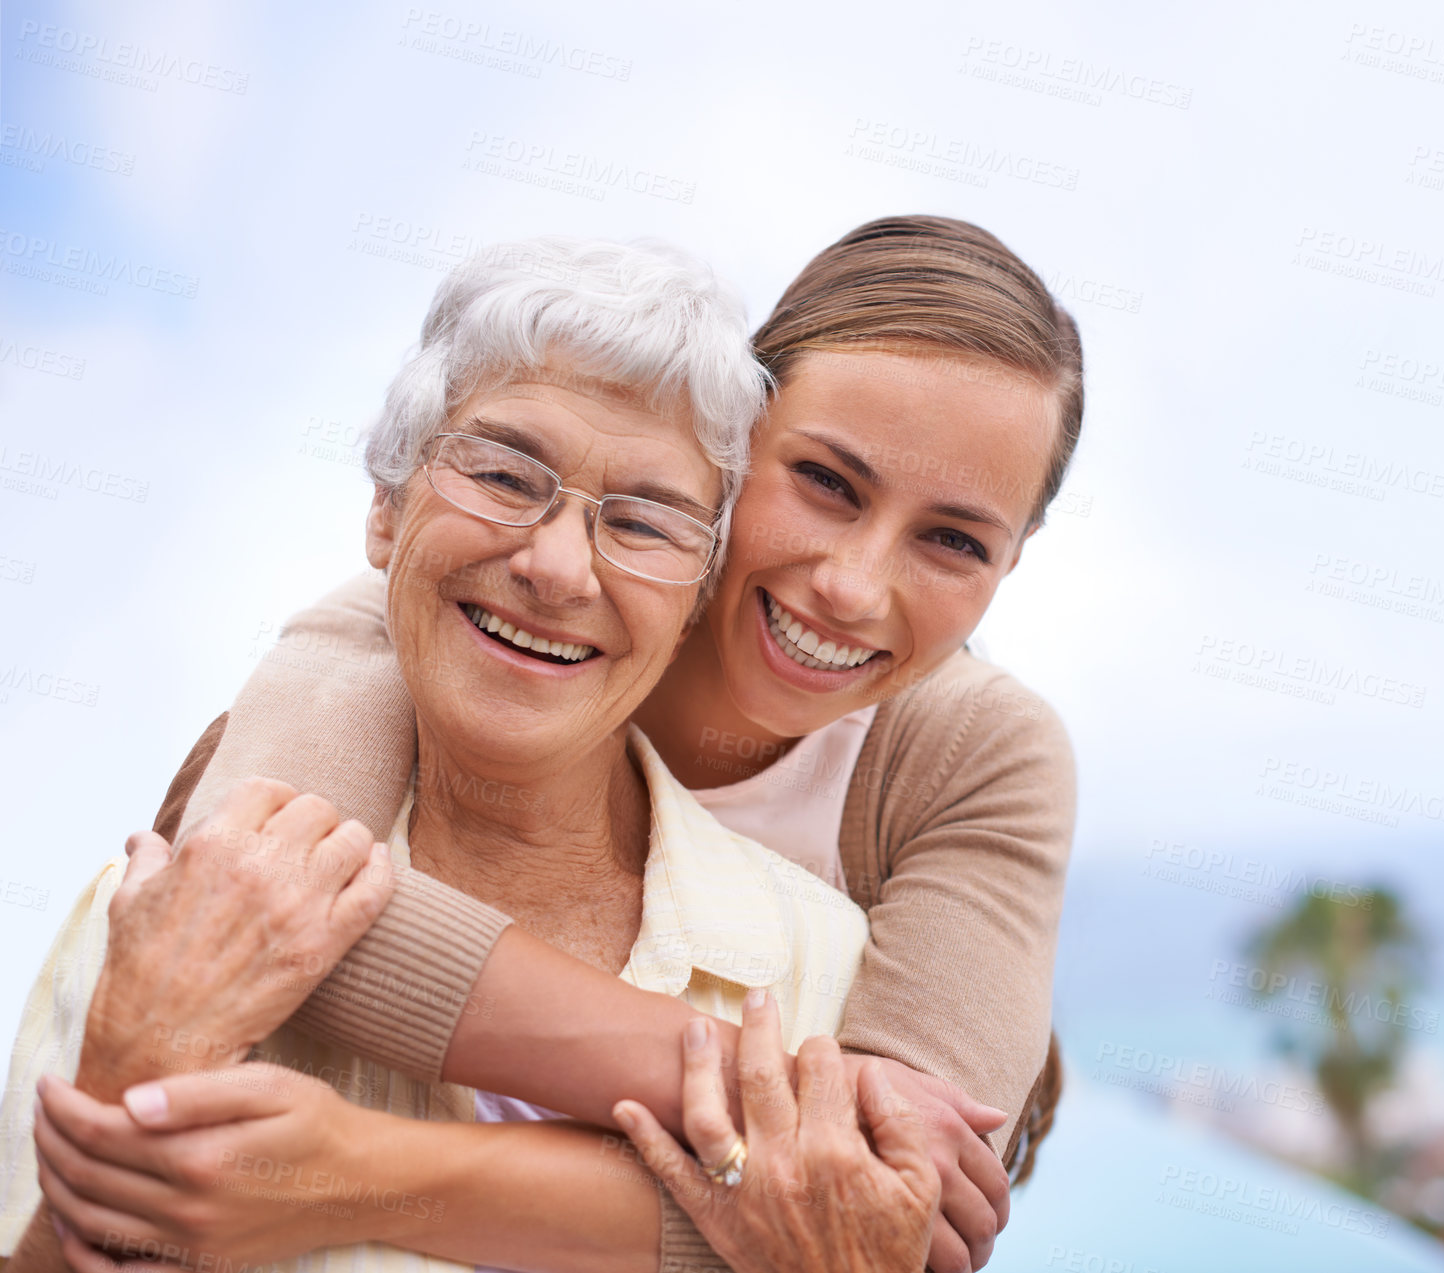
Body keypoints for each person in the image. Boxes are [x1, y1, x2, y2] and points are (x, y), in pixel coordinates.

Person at [24, 215, 1083, 1272]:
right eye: (824, 482)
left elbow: (891, 1203)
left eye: (953, 539)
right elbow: (251, 909)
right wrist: (747, 1089)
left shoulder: (976, 753)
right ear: (732, 449)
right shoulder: (438, 610)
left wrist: (350, 1175)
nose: (852, 585)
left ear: (1012, 561)